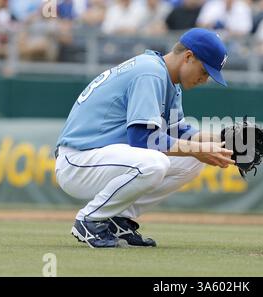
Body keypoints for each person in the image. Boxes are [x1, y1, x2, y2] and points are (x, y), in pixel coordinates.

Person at [54, 28, 234, 248]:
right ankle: (89, 219)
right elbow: (143, 139)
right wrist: (197, 148)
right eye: (205, 71)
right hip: (78, 160)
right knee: (155, 163)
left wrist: (223, 141)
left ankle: (117, 218)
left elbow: (178, 131)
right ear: (188, 57)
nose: (205, 80)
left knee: (192, 160)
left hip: (103, 157)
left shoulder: (168, 80)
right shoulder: (150, 72)